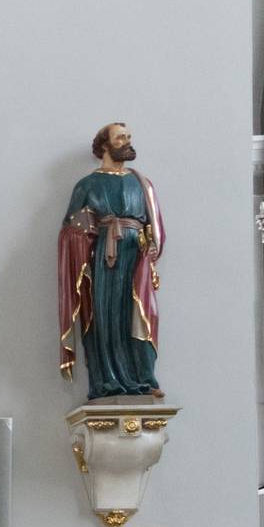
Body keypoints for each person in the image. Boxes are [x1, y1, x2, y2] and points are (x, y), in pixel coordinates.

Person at [58, 122, 166, 400]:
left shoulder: (142, 184)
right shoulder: (87, 185)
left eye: (128, 137)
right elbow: (70, 230)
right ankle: (107, 379)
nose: (127, 141)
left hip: (137, 256)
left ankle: (144, 378)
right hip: (105, 260)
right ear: (104, 145)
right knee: (106, 316)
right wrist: (84, 232)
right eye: (120, 138)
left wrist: (152, 245)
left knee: (139, 315)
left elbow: (154, 225)